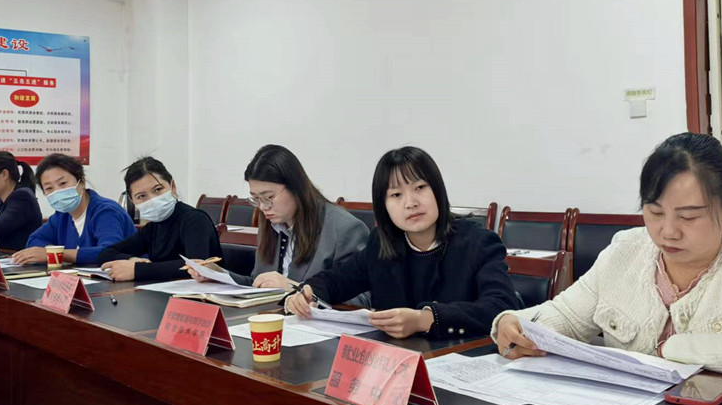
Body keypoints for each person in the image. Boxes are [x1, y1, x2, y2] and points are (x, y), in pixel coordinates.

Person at [492, 133, 722, 384]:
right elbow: (566, 316)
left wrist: (671, 348)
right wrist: (514, 325)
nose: (668, 231)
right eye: (655, 212)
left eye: (688, 217)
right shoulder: (625, 250)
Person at [287, 146, 522, 339]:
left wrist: (425, 319)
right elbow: (337, 280)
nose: (411, 203)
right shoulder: (382, 243)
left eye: (420, 187)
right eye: (396, 195)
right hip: (397, 364)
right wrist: (308, 293)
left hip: (462, 360)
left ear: (438, 190)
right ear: (384, 206)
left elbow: (501, 306)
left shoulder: (478, 242)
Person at [189, 145, 368, 291]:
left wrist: (297, 289)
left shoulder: (344, 229)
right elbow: (258, 283)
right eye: (256, 199)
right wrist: (217, 275)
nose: (263, 207)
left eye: (269, 197)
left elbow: (363, 299)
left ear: (296, 188)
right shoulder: (272, 223)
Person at [99, 157, 221, 281]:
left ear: (173, 187)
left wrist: (138, 270)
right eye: (141, 196)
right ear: (132, 201)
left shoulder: (194, 219)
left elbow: (197, 266)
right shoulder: (152, 228)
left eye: (158, 189)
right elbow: (106, 253)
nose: (152, 199)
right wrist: (131, 260)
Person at [12, 154, 135, 266]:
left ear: (81, 182)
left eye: (63, 183)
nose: (57, 191)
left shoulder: (106, 212)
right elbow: (34, 240)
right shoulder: (62, 215)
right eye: (49, 188)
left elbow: (109, 252)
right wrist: (53, 253)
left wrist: (57, 254)